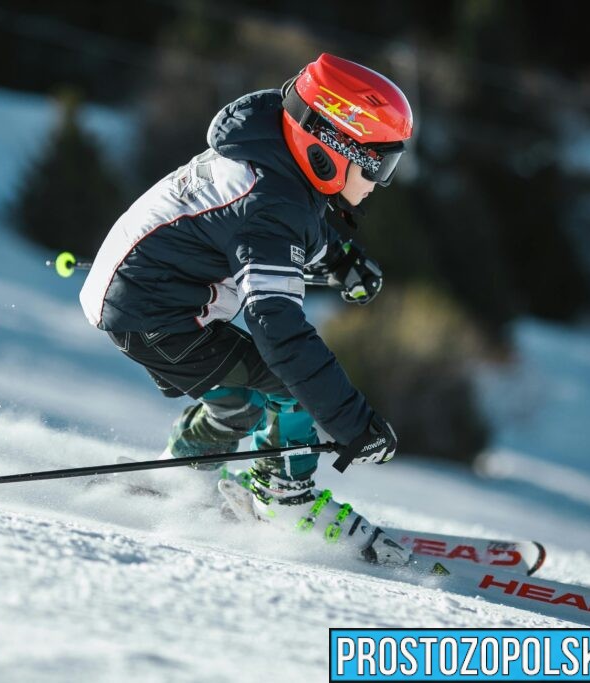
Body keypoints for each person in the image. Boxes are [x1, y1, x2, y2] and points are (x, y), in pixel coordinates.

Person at [80, 53, 413, 563]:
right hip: (155, 315)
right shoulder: (268, 205)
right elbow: (278, 331)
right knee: (290, 387)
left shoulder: (271, 154)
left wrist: (339, 258)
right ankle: (285, 498)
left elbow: (294, 224)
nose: (379, 183)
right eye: (378, 165)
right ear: (332, 148)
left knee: (241, 399)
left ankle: (181, 476)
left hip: (146, 299)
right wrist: (353, 425)